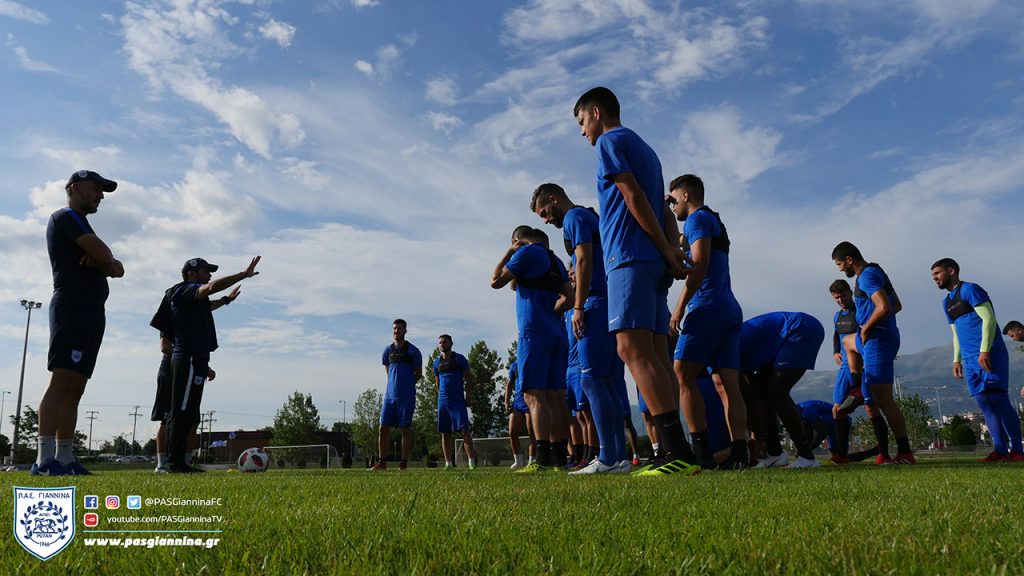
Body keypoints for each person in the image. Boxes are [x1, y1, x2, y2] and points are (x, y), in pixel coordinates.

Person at [573, 87, 698, 478]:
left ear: (596, 113)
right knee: (657, 355)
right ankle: (677, 452)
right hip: (651, 263)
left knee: (630, 350)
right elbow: (661, 206)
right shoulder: (646, 148)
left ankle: (674, 453)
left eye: (581, 122)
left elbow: (633, 197)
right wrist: (670, 251)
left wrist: (665, 248)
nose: (583, 133)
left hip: (628, 259)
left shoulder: (609, 141)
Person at [532, 182, 629, 474]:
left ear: (554, 198)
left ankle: (608, 457)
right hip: (611, 302)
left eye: (545, 213)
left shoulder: (574, 218)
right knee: (607, 381)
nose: (547, 220)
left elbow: (584, 258)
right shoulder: (591, 217)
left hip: (595, 303)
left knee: (592, 380)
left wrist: (578, 306)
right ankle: (619, 457)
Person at [34, 170, 125, 476]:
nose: (100, 195)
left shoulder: (84, 225)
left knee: (77, 386)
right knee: (62, 380)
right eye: (95, 189)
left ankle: (66, 458)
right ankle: (44, 460)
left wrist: (104, 263)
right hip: (71, 306)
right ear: (74, 188)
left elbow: (119, 268)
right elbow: (108, 256)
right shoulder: (66, 216)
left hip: (91, 310)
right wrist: (103, 261)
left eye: (102, 191)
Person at [667, 174, 749, 470]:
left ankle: (700, 452)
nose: (673, 204)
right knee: (725, 382)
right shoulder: (710, 219)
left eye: (674, 198)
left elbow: (698, 265)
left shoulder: (697, 219)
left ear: (686, 195)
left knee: (682, 373)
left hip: (708, 307)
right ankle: (740, 452)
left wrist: (679, 308)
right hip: (728, 308)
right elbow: (685, 246)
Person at [158, 256, 260, 473]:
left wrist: (226, 301)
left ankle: (181, 462)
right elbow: (211, 288)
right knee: (181, 411)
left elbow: (207, 304)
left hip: (197, 359)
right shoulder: (183, 289)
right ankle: (174, 463)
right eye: (205, 271)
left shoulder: (191, 298)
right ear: (191, 274)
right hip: (188, 358)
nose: (209, 275)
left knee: (190, 411)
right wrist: (243, 274)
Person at [492, 226, 572, 473]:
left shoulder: (526, 252)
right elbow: (569, 296)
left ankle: (542, 459)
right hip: (558, 333)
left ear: (518, 240)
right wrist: (551, 314)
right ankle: (560, 458)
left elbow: (496, 281)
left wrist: (509, 251)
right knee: (556, 396)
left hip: (533, 334)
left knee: (534, 395)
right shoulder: (555, 260)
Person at [932, 259, 1023, 462]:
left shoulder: (971, 290)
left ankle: (1017, 450)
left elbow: (989, 319)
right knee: (985, 402)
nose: (934, 278)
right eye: (932, 275)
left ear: (951, 271)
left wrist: (984, 350)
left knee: (999, 399)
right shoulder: (946, 303)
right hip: (969, 359)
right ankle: (1000, 450)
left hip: (990, 353)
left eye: (937, 273)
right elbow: (955, 333)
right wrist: (956, 360)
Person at [831, 241, 914, 464]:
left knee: (883, 399)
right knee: (847, 342)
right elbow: (896, 304)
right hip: (873, 339)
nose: (840, 269)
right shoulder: (875, 271)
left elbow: (885, 307)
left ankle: (905, 452)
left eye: (840, 264)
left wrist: (867, 326)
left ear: (849, 260)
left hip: (877, 340)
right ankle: (858, 388)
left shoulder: (867, 276)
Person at [150, 285, 240, 471]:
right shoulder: (173, 317)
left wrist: (225, 301)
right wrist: (185, 358)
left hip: (191, 367)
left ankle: (187, 460)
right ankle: (162, 463)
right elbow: (165, 347)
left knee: (192, 419)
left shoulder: (193, 316)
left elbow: (206, 305)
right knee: (168, 418)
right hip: (171, 371)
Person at [739, 312, 824, 469]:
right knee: (762, 392)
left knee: (777, 393)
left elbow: (747, 400)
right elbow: (752, 394)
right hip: (782, 338)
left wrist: (757, 437)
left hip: (800, 329)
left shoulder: (727, 357)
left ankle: (807, 457)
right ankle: (775, 454)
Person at [827, 280, 885, 464]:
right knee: (837, 410)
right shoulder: (837, 316)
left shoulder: (859, 312)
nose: (841, 300)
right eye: (836, 298)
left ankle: (883, 452)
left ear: (849, 293)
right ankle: (841, 455)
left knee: (870, 407)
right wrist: (835, 351)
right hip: (844, 368)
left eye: (843, 295)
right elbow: (836, 334)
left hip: (861, 366)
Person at [374, 319, 422, 471]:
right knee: (382, 428)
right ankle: (382, 463)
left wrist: (406, 386)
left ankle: (403, 463)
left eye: (399, 329)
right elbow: (389, 373)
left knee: (405, 429)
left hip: (406, 397)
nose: (396, 331)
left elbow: (419, 374)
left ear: (405, 331)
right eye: (394, 329)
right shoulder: (387, 351)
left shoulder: (413, 351)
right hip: (389, 397)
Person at [434, 334, 477, 469]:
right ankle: (448, 464)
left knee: (464, 431)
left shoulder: (459, 359)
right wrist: (440, 397)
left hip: (457, 401)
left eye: (445, 342)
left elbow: (469, 379)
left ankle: (471, 463)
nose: (442, 344)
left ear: (451, 343)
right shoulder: (436, 362)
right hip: (443, 403)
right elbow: (437, 383)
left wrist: (468, 397)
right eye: (440, 342)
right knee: (445, 433)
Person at [504, 361, 536, 469]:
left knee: (532, 432)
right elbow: (509, 384)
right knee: (512, 432)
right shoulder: (514, 365)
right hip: (517, 403)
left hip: (530, 402)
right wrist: (506, 402)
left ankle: (532, 461)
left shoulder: (533, 362)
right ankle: (518, 461)